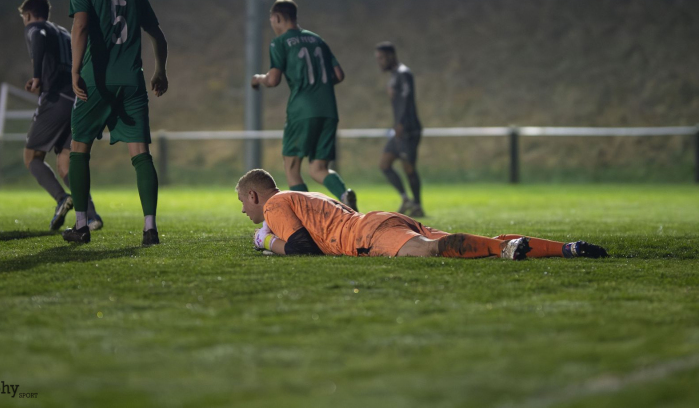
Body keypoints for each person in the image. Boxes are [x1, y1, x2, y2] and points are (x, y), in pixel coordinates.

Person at [236, 169, 609, 259]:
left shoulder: (274, 203)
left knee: (429, 251)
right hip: (379, 218)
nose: (242, 209)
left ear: (254, 194)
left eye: (242, 201)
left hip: (365, 235)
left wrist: (265, 240)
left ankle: (508, 249)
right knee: (455, 243)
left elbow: (304, 248)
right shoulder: (302, 193)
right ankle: (568, 248)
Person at [63, 0, 168, 245]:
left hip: (96, 81)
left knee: (78, 150)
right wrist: (160, 70)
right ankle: (150, 229)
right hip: (132, 82)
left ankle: (81, 226)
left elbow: (80, 26)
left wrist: (74, 70)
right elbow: (158, 35)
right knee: (141, 155)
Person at [251, 0, 358, 211]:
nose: (273, 25)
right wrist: (319, 83)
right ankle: (344, 194)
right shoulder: (317, 39)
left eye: (272, 20)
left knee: (292, 168)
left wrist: (257, 79)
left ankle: (310, 215)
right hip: (328, 109)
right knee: (319, 168)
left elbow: (273, 80)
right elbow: (339, 74)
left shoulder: (280, 42)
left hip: (302, 110)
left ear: (278, 18)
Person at [18, 0, 102, 231]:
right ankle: (92, 216)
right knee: (66, 163)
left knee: (31, 157)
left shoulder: (36, 28)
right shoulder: (65, 33)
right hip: (78, 99)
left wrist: (37, 77)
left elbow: (39, 36)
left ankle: (61, 198)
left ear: (28, 16)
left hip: (56, 100)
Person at [375, 42, 424, 217]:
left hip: (408, 129)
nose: (379, 62)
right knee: (384, 164)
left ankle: (417, 205)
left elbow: (407, 99)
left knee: (409, 168)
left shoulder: (404, 73)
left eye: (381, 58)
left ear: (391, 56)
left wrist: (401, 123)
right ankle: (406, 198)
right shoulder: (395, 75)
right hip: (398, 130)